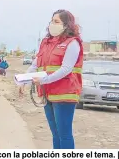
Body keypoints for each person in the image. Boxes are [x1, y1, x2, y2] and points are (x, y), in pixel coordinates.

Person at [20, 9, 83, 149]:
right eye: (51, 21)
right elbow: (36, 64)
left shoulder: (72, 43)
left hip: (64, 94)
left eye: (56, 21)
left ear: (66, 25)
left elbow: (66, 69)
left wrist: (43, 80)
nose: (52, 24)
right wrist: (23, 80)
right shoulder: (46, 42)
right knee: (55, 134)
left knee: (64, 135)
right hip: (47, 94)